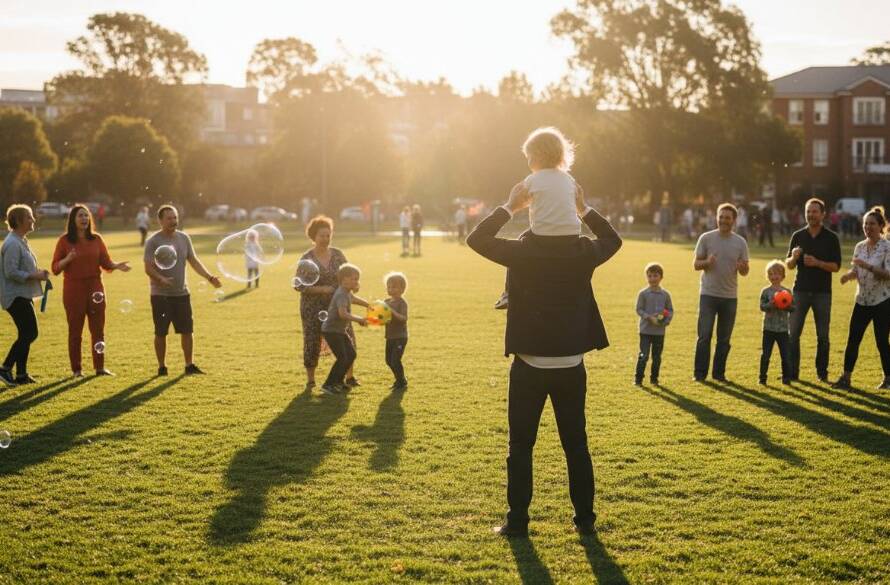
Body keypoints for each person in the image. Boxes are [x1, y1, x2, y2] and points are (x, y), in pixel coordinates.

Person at [467, 180, 621, 538]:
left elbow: (477, 239)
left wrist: (509, 206)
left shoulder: (522, 251)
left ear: (536, 211)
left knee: (521, 446)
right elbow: (613, 240)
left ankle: (517, 522)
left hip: (529, 365)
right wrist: (586, 209)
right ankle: (585, 522)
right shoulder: (583, 250)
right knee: (576, 445)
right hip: (571, 364)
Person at [494, 126, 582, 310]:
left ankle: (508, 292)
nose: (528, 162)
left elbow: (521, 198)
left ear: (538, 155)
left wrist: (513, 204)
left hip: (543, 233)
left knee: (520, 243)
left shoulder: (532, 179)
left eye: (529, 157)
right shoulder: (569, 179)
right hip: (572, 232)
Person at [51, 205, 131, 377]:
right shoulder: (64, 241)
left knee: (98, 330)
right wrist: (68, 259)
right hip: (74, 289)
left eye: (86, 216)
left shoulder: (96, 239)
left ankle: (100, 368)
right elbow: (55, 268)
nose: (84, 219)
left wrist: (117, 266)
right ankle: (77, 370)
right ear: (73, 219)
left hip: (95, 287)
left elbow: (106, 262)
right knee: (75, 331)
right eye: (80, 216)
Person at [143, 204, 221, 376]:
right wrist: (160, 279)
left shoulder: (184, 238)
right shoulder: (153, 241)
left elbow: (193, 261)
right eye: (169, 218)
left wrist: (209, 277)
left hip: (181, 293)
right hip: (160, 295)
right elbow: (148, 268)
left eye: (175, 217)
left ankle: (189, 365)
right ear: (160, 221)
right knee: (161, 332)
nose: (173, 221)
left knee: (187, 330)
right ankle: (162, 367)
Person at [294, 215, 364, 392]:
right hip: (312, 307)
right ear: (313, 237)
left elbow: (349, 274)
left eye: (328, 235)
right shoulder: (307, 258)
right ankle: (311, 380)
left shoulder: (338, 254)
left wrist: (355, 284)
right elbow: (298, 285)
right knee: (312, 341)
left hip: (338, 305)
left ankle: (349, 377)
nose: (325, 238)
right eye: (322, 235)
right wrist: (322, 289)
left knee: (347, 338)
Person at [831, 207, 890, 390]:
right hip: (862, 300)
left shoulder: (887, 247)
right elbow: (856, 269)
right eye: (865, 223)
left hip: (882, 300)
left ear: (881, 226)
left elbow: (888, 274)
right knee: (853, 339)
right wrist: (848, 276)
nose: (868, 227)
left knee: (881, 341)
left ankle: (888, 378)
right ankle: (846, 378)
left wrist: (868, 267)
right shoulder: (859, 246)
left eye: (872, 224)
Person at [692, 203, 750, 382]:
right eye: (721, 217)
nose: (723, 220)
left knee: (724, 340)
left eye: (727, 218)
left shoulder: (740, 242)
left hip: (729, 297)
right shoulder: (706, 238)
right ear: (716, 218)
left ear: (734, 220)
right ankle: (700, 375)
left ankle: (719, 375)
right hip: (708, 295)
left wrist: (742, 268)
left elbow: (745, 270)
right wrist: (706, 262)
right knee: (704, 336)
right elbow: (695, 265)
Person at [785, 198, 841, 382]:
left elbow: (836, 267)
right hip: (800, 291)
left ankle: (822, 374)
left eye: (815, 211)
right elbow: (789, 265)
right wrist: (793, 258)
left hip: (822, 293)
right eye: (808, 211)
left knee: (822, 336)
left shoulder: (831, 238)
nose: (811, 215)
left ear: (823, 214)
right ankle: (792, 373)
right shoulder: (798, 236)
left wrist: (817, 263)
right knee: (793, 335)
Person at [0, 204, 49, 386]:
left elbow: (22, 267)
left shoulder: (20, 240)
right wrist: (33, 275)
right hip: (15, 296)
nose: (33, 220)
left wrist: (38, 272)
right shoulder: (12, 243)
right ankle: (5, 368)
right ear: (19, 221)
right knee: (30, 333)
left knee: (25, 333)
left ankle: (21, 374)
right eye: (29, 217)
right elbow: (10, 271)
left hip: (22, 294)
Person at [320, 263, 367, 395]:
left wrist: (369, 305)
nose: (356, 282)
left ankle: (339, 382)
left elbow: (354, 299)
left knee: (351, 354)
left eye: (357, 279)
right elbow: (343, 314)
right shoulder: (341, 294)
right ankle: (328, 384)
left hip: (339, 330)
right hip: (331, 331)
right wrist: (359, 320)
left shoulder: (346, 292)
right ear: (344, 279)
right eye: (353, 278)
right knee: (342, 357)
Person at [635, 262, 673, 386]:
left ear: (661, 277)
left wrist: (665, 321)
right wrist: (649, 317)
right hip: (645, 331)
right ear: (647, 277)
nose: (652, 279)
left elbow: (670, 310)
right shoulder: (643, 294)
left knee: (656, 357)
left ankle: (654, 379)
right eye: (650, 276)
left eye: (655, 276)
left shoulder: (665, 295)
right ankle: (638, 379)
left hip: (659, 332)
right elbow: (639, 309)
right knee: (643, 355)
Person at [759, 260, 795, 385]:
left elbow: (793, 308)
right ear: (767, 276)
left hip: (783, 329)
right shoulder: (765, 291)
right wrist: (771, 304)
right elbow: (762, 307)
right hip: (768, 328)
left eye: (777, 274)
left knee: (785, 355)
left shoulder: (787, 292)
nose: (774, 277)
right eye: (771, 274)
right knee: (765, 355)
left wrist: (785, 306)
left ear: (783, 276)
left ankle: (786, 378)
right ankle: (762, 378)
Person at [383, 271, 409, 391]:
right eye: (389, 286)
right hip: (390, 336)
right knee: (388, 360)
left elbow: (403, 319)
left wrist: (392, 311)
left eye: (394, 287)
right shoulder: (386, 302)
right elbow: (383, 319)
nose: (390, 289)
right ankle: (400, 380)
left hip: (400, 337)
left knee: (395, 360)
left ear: (402, 289)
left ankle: (401, 381)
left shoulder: (402, 303)